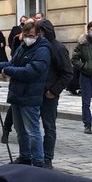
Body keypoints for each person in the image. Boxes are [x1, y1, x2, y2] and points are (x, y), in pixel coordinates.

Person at [0, 22, 50, 167]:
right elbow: (12, 63)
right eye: (26, 35)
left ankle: (38, 161)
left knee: (33, 131)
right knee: (20, 130)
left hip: (30, 96)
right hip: (17, 95)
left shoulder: (43, 50)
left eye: (31, 36)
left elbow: (31, 71)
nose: (28, 38)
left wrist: (8, 71)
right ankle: (25, 157)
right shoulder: (22, 47)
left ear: (38, 35)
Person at [36, 19, 73, 170]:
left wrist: (54, 91)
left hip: (49, 94)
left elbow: (67, 73)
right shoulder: (38, 46)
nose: (37, 35)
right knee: (31, 128)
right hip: (35, 92)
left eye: (40, 32)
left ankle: (47, 158)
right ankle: (34, 155)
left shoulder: (58, 48)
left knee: (49, 127)